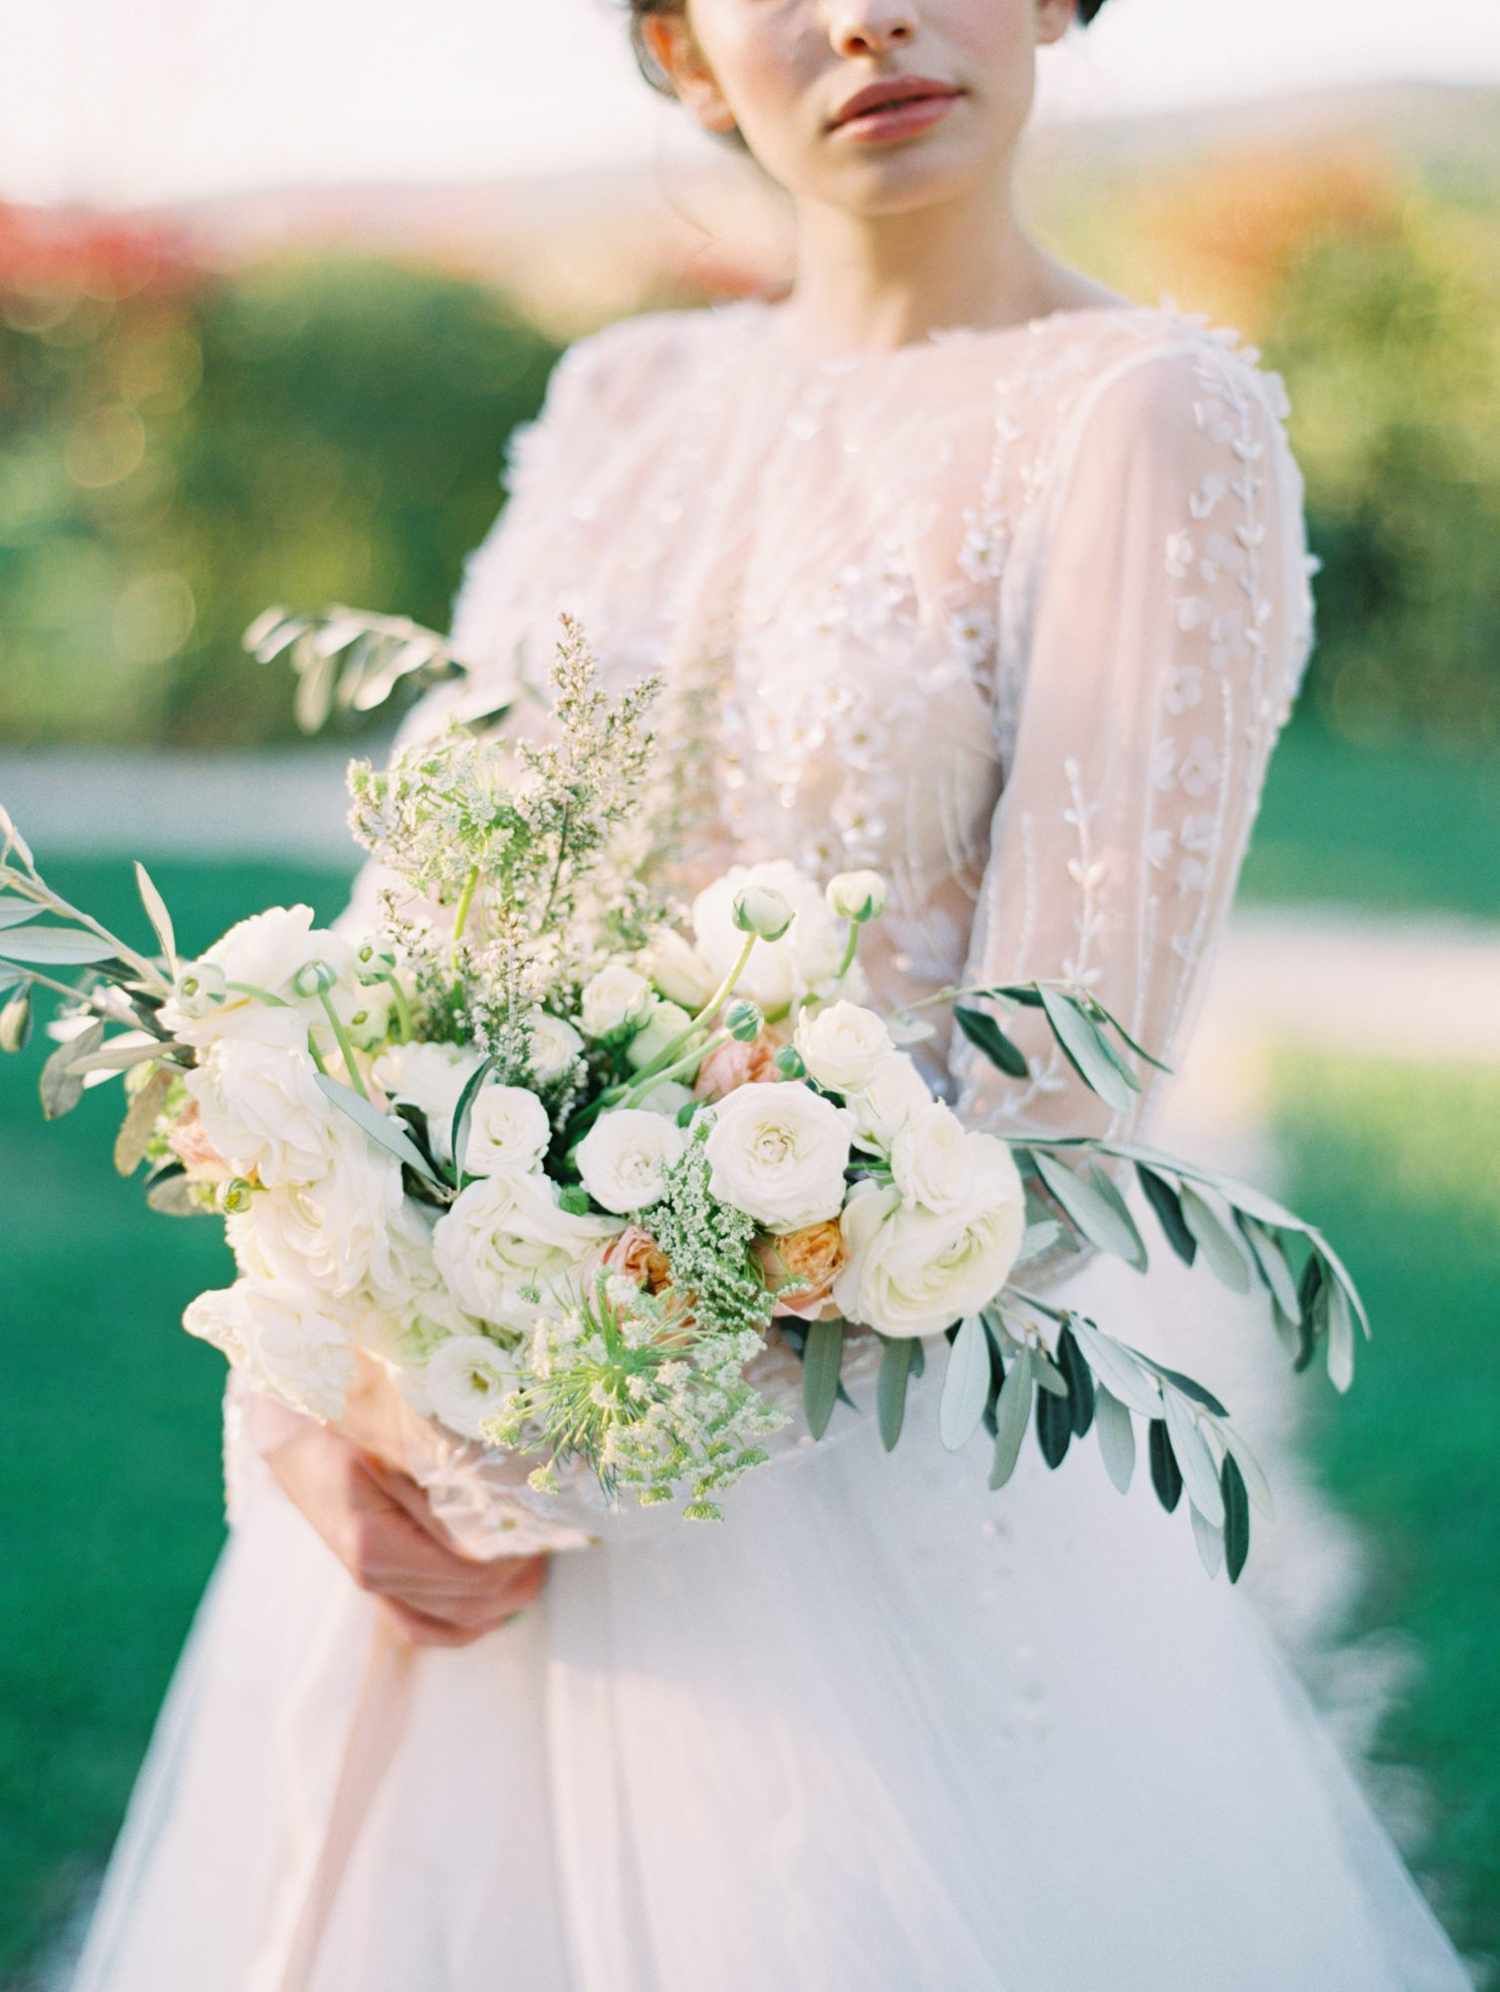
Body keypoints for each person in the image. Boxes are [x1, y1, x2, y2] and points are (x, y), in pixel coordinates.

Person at [71, 3, 1473, 1987]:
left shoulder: (1144, 416)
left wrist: (583, 1427)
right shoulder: (618, 397)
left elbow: (1057, 1103)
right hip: (426, 1430)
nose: (866, 15)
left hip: (838, 1495)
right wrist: (327, 1378)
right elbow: (414, 939)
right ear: (679, 43)